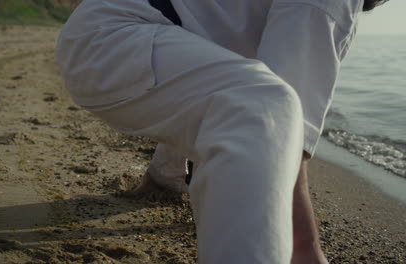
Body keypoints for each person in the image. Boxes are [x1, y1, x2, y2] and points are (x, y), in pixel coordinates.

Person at [55, 0, 388, 263]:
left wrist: (163, 175)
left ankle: (164, 176)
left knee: (247, 91)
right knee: (267, 104)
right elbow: (284, 128)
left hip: (107, 38)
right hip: (118, 41)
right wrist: (303, 245)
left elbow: (211, 81)